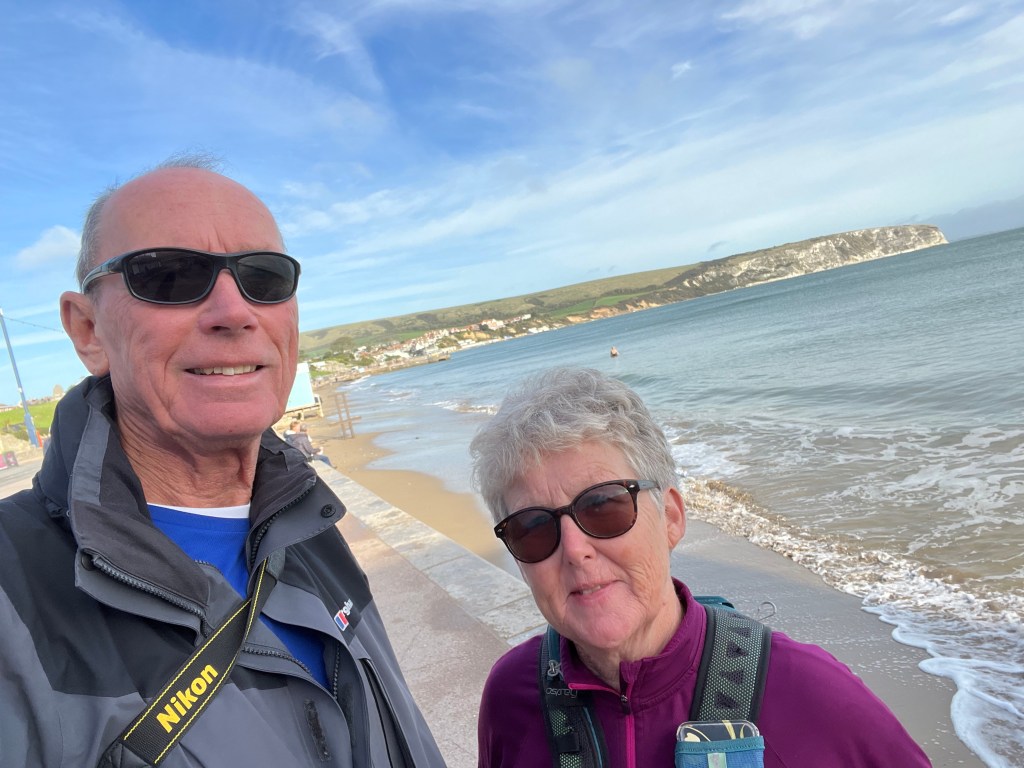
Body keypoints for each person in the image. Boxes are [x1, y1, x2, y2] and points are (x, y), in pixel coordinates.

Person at [0, 156, 444, 767]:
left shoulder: (304, 522)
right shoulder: (13, 599)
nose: (235, 312)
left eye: (263, 277)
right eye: (170, 276)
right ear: (88, 330)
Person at [469, 367, 931, 767]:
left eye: (603, 506)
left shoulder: (811, 695)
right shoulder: (511, 697)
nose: (574, 550)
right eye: (533, 528)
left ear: (670, 517)